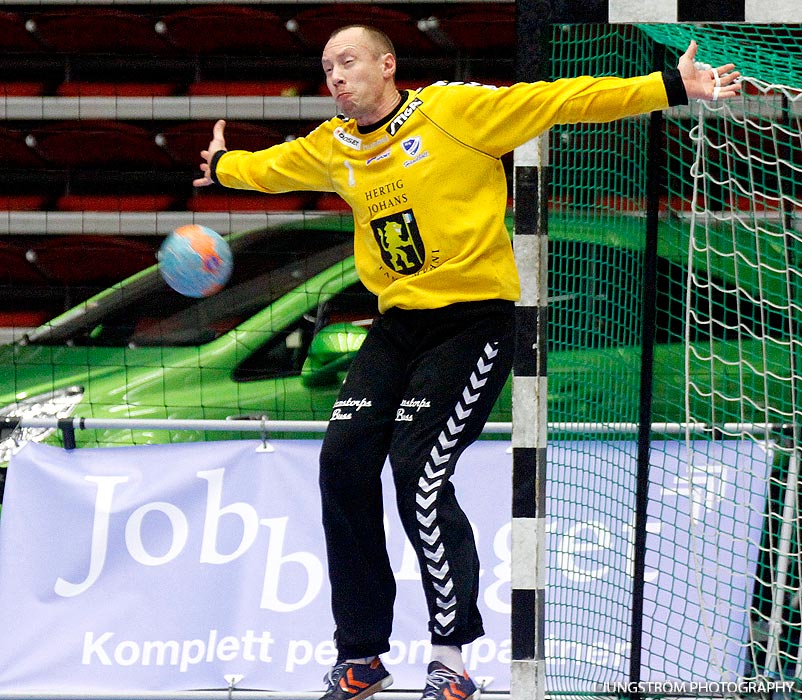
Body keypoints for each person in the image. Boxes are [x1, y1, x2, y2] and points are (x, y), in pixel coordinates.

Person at [194, 24, 739, 700]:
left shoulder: (454, 112)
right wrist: (223, 166)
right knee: (342, 459)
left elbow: (558, 100)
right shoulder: (333, 147)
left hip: (472, 322)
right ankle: (360, 654)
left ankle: (450, 659)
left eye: (350, 62)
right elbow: (269, 170)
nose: (336, 76)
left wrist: (666, 87)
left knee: (417, 470)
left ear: (388, 66)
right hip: (396, 327)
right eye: (327, 66)